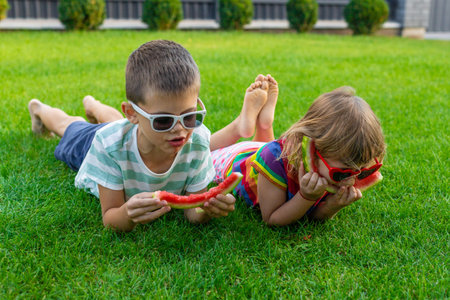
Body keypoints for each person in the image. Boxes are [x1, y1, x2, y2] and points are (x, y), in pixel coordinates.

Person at [27, 40, 271, 232]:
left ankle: (93, 104)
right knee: (70, 126)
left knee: (121, 124)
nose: (180, 130)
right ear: (132, 113)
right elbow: (110, 217)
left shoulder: (195, 139)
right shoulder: (108, 146)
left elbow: (192, 212)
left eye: (189, 116)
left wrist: (206, 210)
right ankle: (40, 108)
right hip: (97, 141)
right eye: (163, 120)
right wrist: (127, 215)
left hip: (134, 132)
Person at [211, 76, 386, 226]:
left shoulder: (331, 166)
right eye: (341, 174)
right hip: (233, 161)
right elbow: (271, 218)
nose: (351, 180)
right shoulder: (273, 160)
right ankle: (241, 126)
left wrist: (333, 206)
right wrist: (306, 196)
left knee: (264, 146)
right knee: (205, 153)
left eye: (364, 172)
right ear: (315, 150)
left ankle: (264, 123)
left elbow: (312, 216)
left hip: (263, 150)